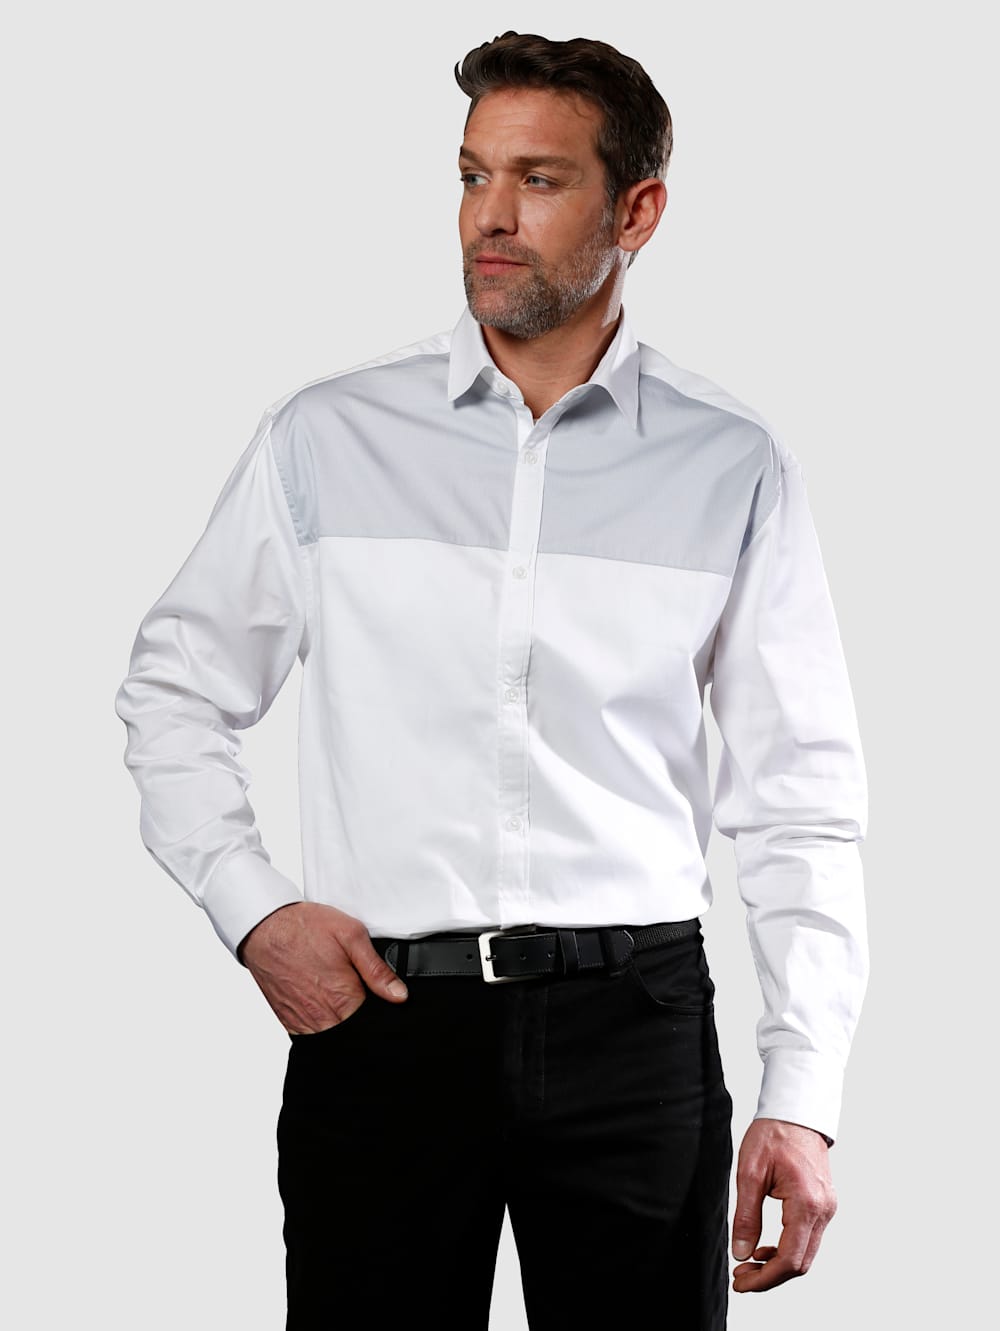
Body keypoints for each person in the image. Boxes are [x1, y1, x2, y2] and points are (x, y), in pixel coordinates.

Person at [114, 30, 868, 1331]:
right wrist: (253, 909)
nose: (489, 217)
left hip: (635, 1028)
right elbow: (174, 689)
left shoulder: (730, 465)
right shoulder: (327, 438)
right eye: (472, 176)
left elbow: (801, 794)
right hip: (383, 1024)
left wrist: (802, 1097)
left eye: (539, 179)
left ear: (637, 211)